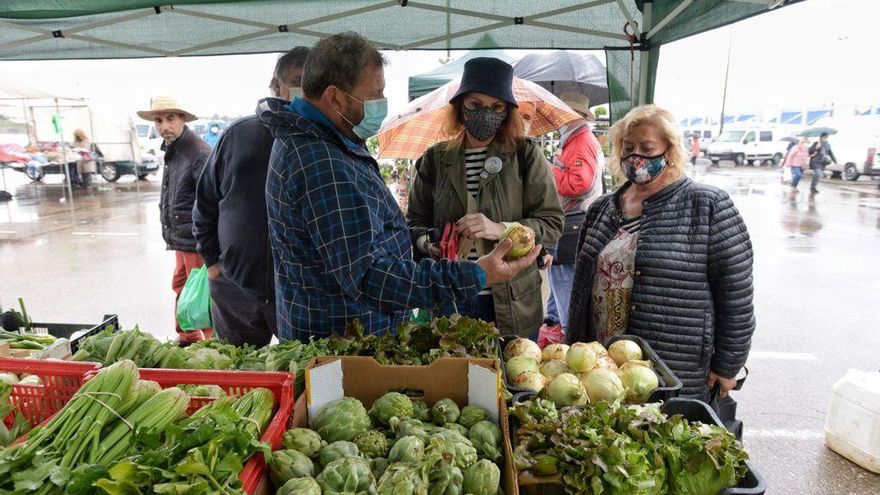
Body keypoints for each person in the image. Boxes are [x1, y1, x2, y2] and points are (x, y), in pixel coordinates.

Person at [261, 33, 541, 342]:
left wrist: (427, 240)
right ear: (335, 97)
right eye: (374, 93)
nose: (381, 103)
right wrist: (475, 273)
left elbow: (371, 236)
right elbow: (370, 276)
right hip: (344, 343)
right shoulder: (322, 162)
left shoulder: (329, 143)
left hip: (354, 333)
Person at [566, 104, 756, 401]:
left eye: (647, 147)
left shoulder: (707, 206)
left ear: (670, 151)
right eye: (628, 147)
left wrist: (728, 365)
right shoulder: (602, 209)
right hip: (600, 366)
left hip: (672, 367)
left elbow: (736, 295)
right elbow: (581, 290)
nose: (635, 156)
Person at [407, 57, 563, 337]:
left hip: (510, 301)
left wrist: (502, 229)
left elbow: (551, 223)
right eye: (475, 105)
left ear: (507, 111)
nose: (485, 113)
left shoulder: (525, 154)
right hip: (451, 296)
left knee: (507, 374)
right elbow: (413, 223)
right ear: (460, 106)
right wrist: (429, 241)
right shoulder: (435, 159)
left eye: (496, 107)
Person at [193, 47, 309, 346]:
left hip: (299, 293)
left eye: (312, 83)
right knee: (238, 377)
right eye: (297, 81)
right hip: (235, 287)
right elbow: (205, 202)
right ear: (276, 86)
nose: (304, 90)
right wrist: (212, 263)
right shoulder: (239, 135)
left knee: (300, 376)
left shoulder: (321, 141)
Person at [137, 96, 213, 344]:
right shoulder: (174, 149)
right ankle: (188, 336)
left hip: (195, 238)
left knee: (201, 295)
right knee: (181, 285)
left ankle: (215, 344)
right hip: (180, 238)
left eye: (170, 119)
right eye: (159, 120)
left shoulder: (198, 151)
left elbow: (211, 201)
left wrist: (206, 240)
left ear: (182, 119)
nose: (163, 126)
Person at [539, 92, 604, 342]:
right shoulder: (579, 140)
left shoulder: (580, 142)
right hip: (574, 221)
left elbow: (579, 183)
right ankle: (554, 325)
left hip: (572, 223)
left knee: (563, 279)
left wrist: (550, 173)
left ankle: (568, 335)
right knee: (560, 279)